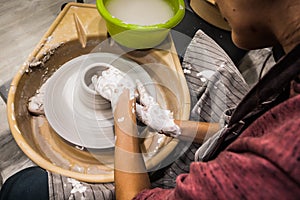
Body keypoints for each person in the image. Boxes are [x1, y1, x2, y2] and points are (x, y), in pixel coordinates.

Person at [1, 0, 299, 199]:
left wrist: (122, 118)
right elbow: (249, 134)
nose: (214, 2)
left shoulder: (280, 166)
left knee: (22, 189)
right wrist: (171, 125)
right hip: (218, 151)